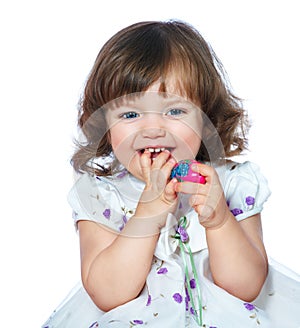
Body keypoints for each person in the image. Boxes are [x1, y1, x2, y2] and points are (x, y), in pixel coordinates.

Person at [42, 20, 300, 328]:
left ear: (205, 120)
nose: (153, 129)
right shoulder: (101, 195)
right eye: (130, 114)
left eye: (175, 111)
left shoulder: (232, 183)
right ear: (105, 127)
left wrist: (219, 221)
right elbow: (108, 294)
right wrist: (148, 212)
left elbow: (245, 287)